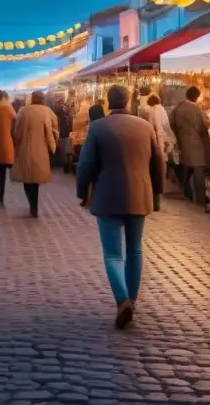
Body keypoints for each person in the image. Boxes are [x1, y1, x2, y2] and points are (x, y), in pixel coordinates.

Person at [76, 85, 165, 329]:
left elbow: (85, 164)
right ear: (128, 101)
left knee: (113, 253)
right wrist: (157, 193)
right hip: (139, 194)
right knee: (135, 250)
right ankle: (132, 300)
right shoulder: (144, 126)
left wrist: (82, 191)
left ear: (107, 102)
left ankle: (122, 299)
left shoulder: (98, 127)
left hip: (107, 195)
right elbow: (158, 162)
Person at [12, 91, 59, 217]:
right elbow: (55, 129)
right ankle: (34, 205)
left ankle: (32, 203)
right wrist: (52, 143)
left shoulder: (23, 111)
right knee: (36, 178)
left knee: (27, 176)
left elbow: (17, 131)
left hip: (25, 147)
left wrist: (16, 144)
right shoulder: (48, 111)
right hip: (41, 147)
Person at [170, 86, 210, 205]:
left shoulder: (178, 107)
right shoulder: (194, 109)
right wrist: (207, 141)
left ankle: (185, 193)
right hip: (196, 145)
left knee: (187, 170)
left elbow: (172, 123)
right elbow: (201, 127)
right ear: (196, 97)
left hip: (183, 144)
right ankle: (200, 200)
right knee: (199, 171)